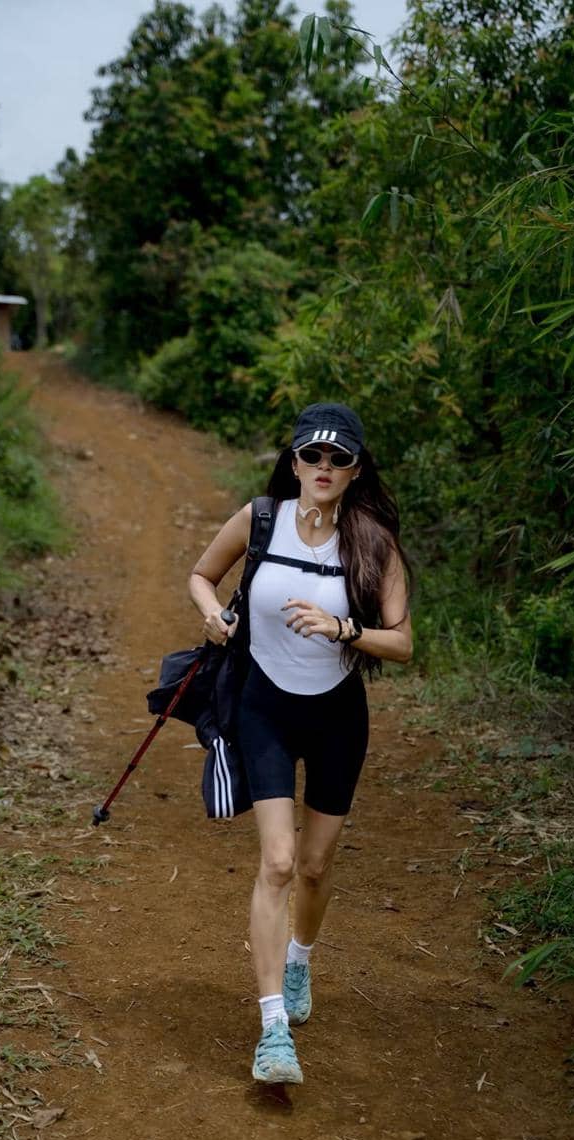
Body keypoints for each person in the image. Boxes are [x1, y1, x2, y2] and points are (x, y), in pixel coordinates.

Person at [188, 402, 412, 1084]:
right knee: (279, 862)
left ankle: (299, 962)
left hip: (340, 714)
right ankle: (272, 1031)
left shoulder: (373, 542)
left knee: (315, 868)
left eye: (338, 458)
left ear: (355, 469)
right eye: (311, 456)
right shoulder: (260, 519)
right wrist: (212, 618)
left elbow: (402, 642)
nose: (323, 468)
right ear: (293, 463)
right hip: (265, 708)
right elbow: (202, 575)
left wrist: (343, 629)